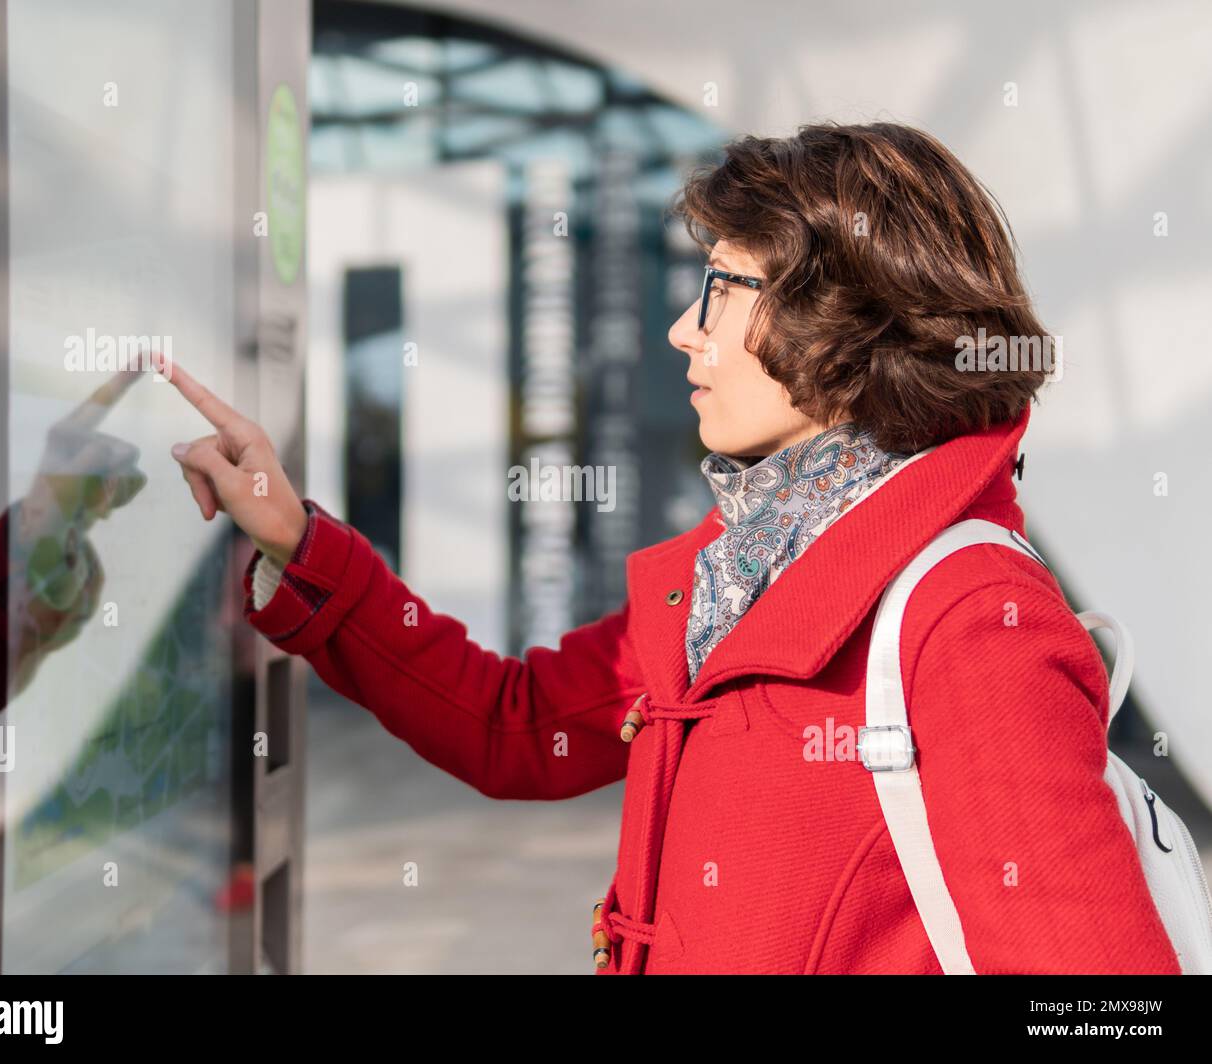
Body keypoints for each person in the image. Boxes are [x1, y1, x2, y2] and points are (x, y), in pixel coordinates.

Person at [164, 122, 1179, 975]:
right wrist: (297, 542)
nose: (682, 334)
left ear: (845, 321)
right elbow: (513, 723)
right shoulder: (736, 574)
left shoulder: (971, 621)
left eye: (722, 290)